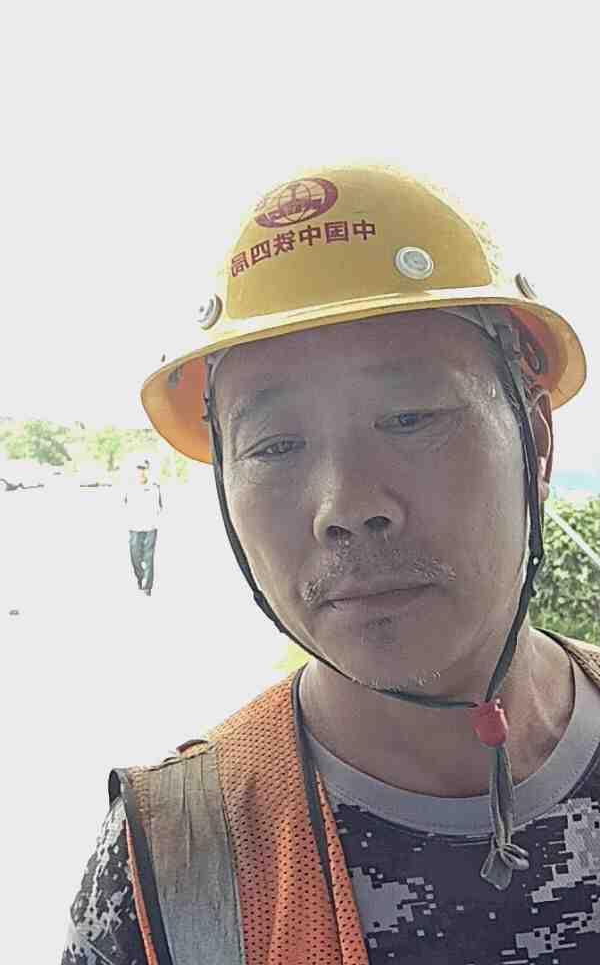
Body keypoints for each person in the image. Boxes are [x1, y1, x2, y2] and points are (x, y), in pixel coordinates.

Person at [62, 166, 600, 965]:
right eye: (275, 446)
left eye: (410, 417)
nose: (345, 506)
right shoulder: (168, 865)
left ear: (538, 442)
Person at [123, 458, 162, 596]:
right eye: (139, 468)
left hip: (151, 527)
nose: (141, 471)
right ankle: (140, 577)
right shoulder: (129, 486)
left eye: (144, 468)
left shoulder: (154, 486)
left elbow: (160, 506)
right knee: (135, 557)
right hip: (134, 527)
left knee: (149, 557)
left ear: (147, 470)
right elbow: (123, 504)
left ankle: (147, 586)